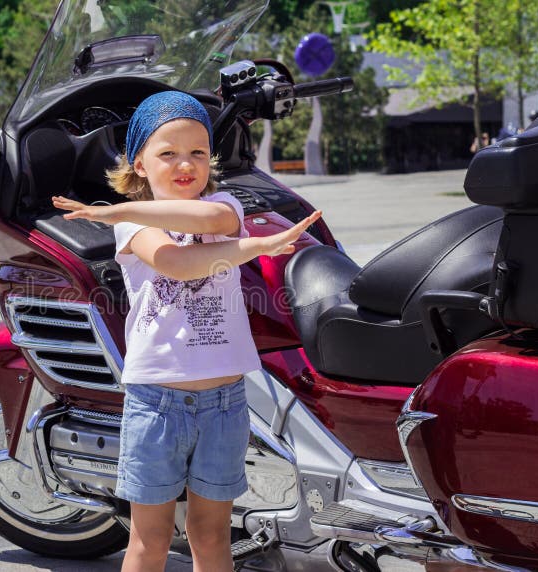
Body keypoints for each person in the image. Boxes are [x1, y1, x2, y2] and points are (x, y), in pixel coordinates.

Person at [52, 91, 321, 572]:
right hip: (156, 405)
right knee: (148, 542)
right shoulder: (130, 227)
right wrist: (119, 213)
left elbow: (211, 222)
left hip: (225, 404)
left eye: (198, 152)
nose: (185, 164)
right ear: (139, 162)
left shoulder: (223, 206)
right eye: (168, 153)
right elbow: (175, 264)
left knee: (211, 534)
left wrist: (119, 209)